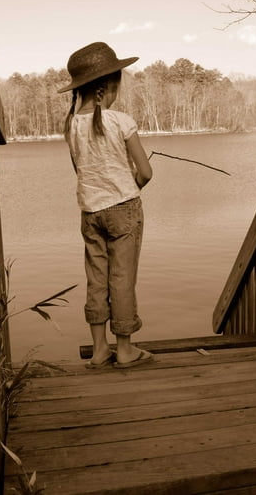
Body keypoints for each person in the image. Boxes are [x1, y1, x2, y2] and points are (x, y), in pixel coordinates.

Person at [58, 42, 154, 369]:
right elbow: (145, 172)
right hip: (123, 209)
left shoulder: (71, 126)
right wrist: (130, 185)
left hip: (90, 212)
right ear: (108, 86)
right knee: (122, 279)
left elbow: (81, 171)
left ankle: (100, 350)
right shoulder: (121, 121)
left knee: (97, 279)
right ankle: (125, 349)